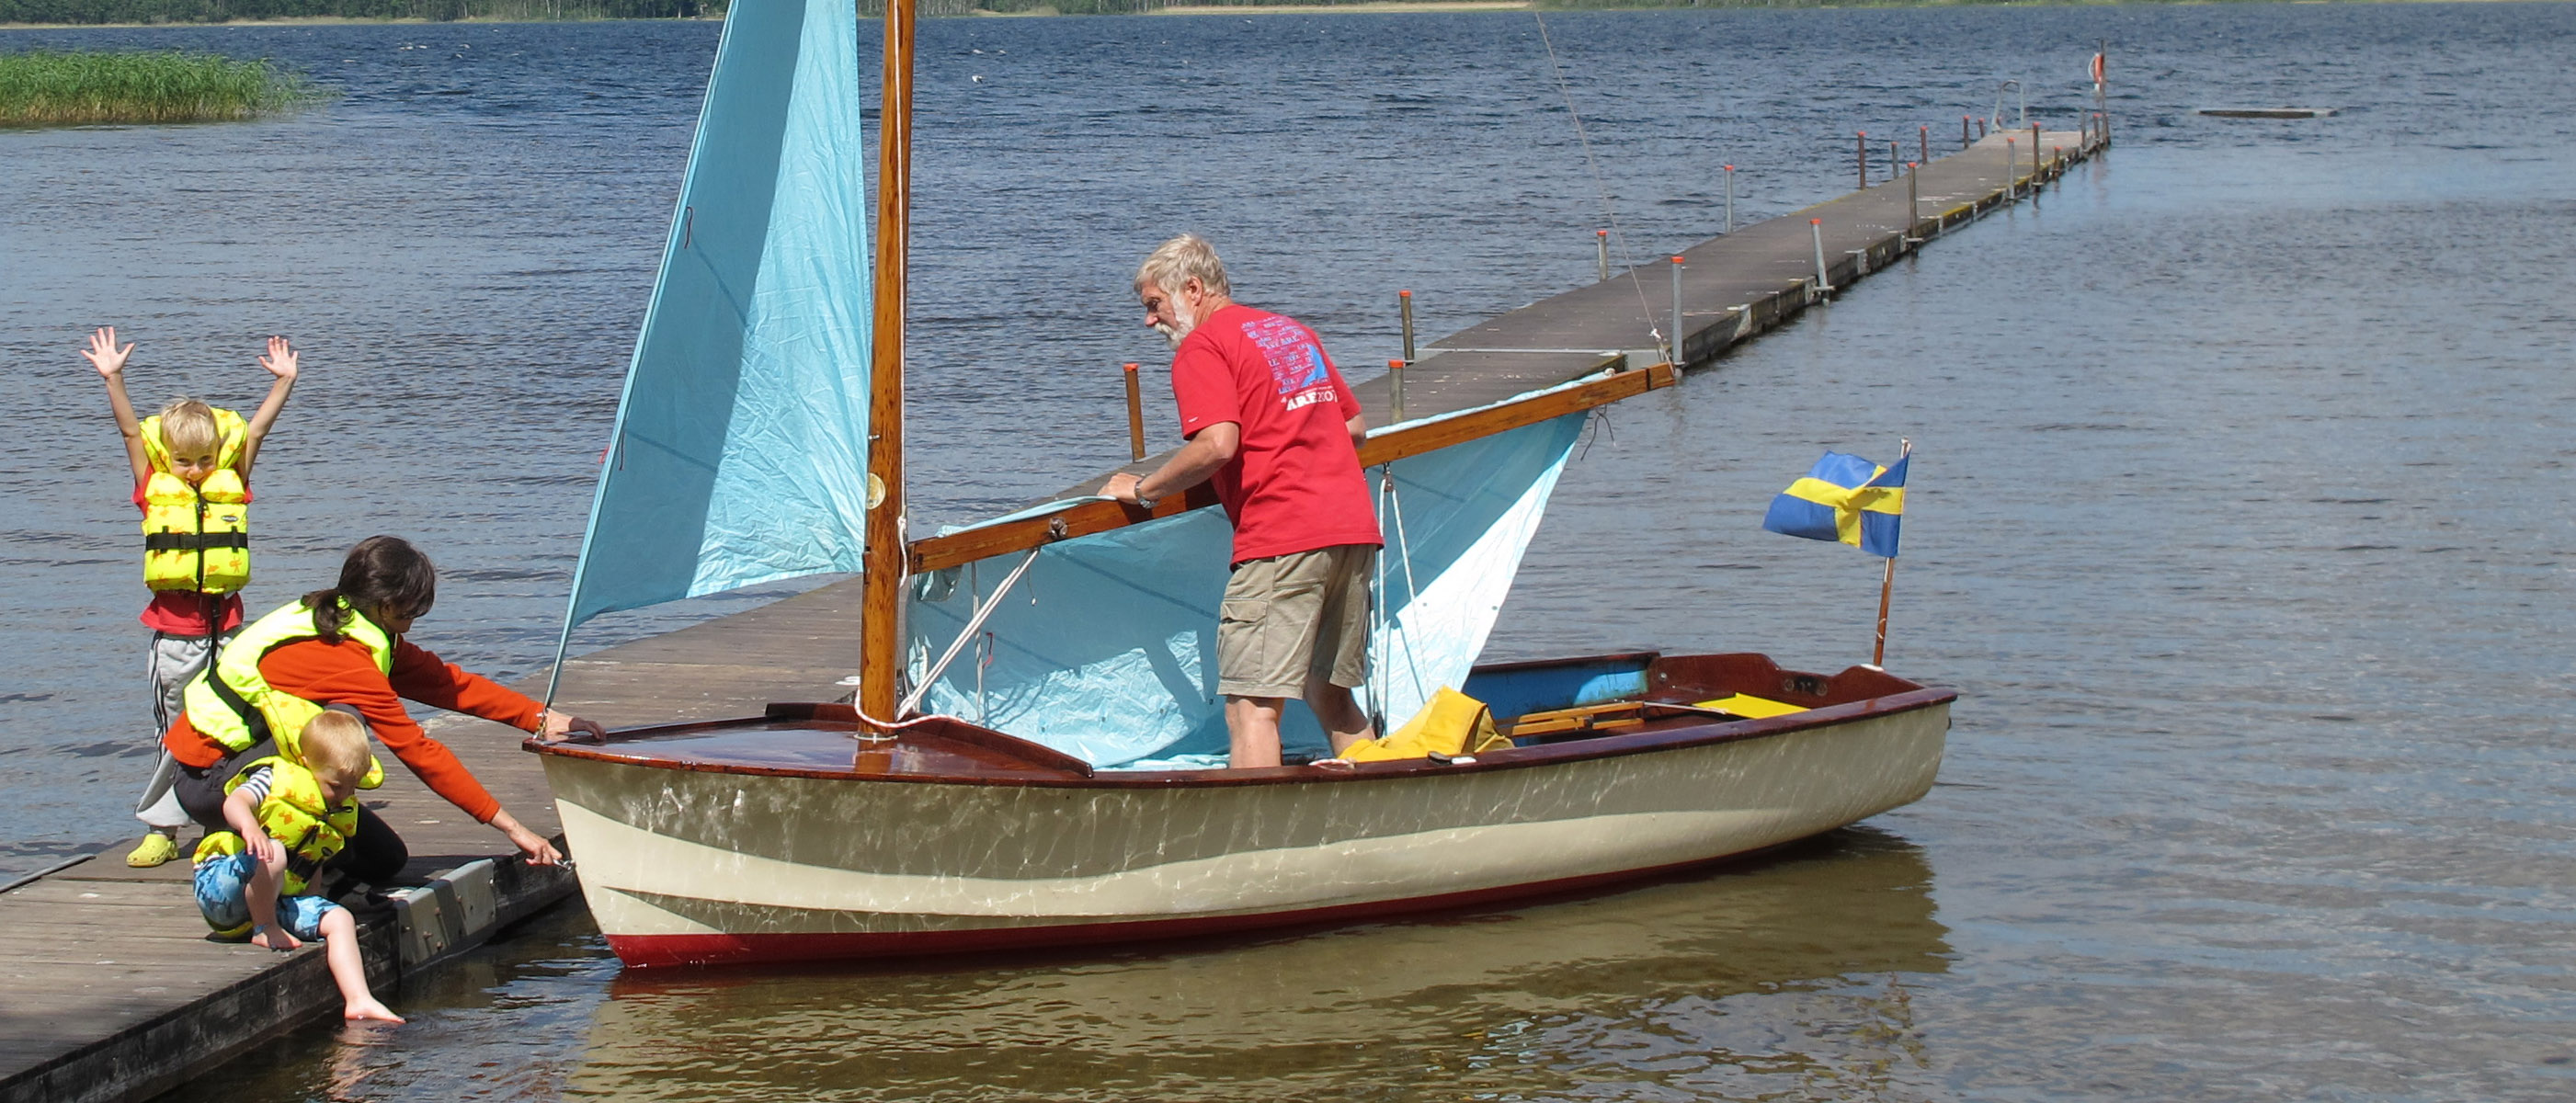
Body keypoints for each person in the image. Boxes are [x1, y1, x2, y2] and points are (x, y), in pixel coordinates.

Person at [163, 535, 608, 888]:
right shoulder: (344, 656)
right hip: (212, 779)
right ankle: (264, 854)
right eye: (414, 607)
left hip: (238, 766)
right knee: (344, 719)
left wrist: (543, 719)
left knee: (385, 860)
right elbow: (418, 750)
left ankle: (272, 842)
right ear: (386, 605)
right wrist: (513, 829)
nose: (418, 616)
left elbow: (448, 684)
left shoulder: (351, 620)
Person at [1105, 234, 1384, 768]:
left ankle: (1255, 847)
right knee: (1332, 695)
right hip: (1352, 529)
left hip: (1283, 535)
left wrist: (1143, 490)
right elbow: (1353, 427)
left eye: (1154, 305)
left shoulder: (1202, 346)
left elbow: (1217, 445)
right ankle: (1384, 817)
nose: (1150, 321)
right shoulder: (1291, 331)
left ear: (1192, 288)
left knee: (1251, 709)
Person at [84, 326, 302, 868]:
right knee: (173, 731)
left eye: (205, 460)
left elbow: (255, 433)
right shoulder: (152, 486)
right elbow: (132, 433)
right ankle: (162, 826)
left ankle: (222, 820)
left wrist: (283, 385)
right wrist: (115, 379)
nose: (196, 471)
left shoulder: (233, 477)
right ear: (166, 460)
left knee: (237, 727)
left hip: (229, 637)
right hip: (174, 640)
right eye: (184, 462)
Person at [189, 709, 403, 1023]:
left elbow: (312, 861)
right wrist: (250, 828)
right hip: (223, 890)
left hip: (274, 897)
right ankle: (265, 929)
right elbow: (235, 802)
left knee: (341, 918)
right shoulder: (275, 777)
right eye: (336, 785)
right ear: (306, 763)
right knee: (273, 852)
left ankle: (359, 999)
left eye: (352, 787)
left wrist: (312, 903)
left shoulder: (335, 807)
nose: (343, 795)